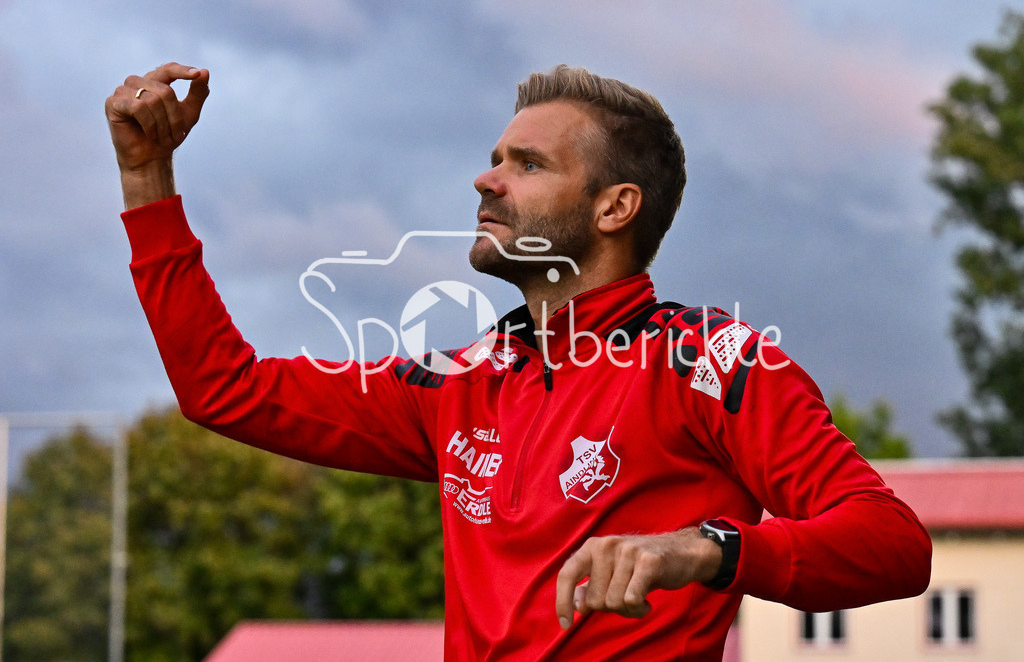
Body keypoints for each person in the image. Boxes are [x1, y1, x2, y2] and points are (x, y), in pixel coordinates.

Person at [106, 62, 931, 660]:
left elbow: (895, 543)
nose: (486, 179)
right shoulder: (454, 384)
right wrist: (148, 179)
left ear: (615, 206)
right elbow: (225, 389)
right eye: (497, 157)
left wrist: (705, 549)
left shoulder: (711, 361)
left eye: (527, 164)